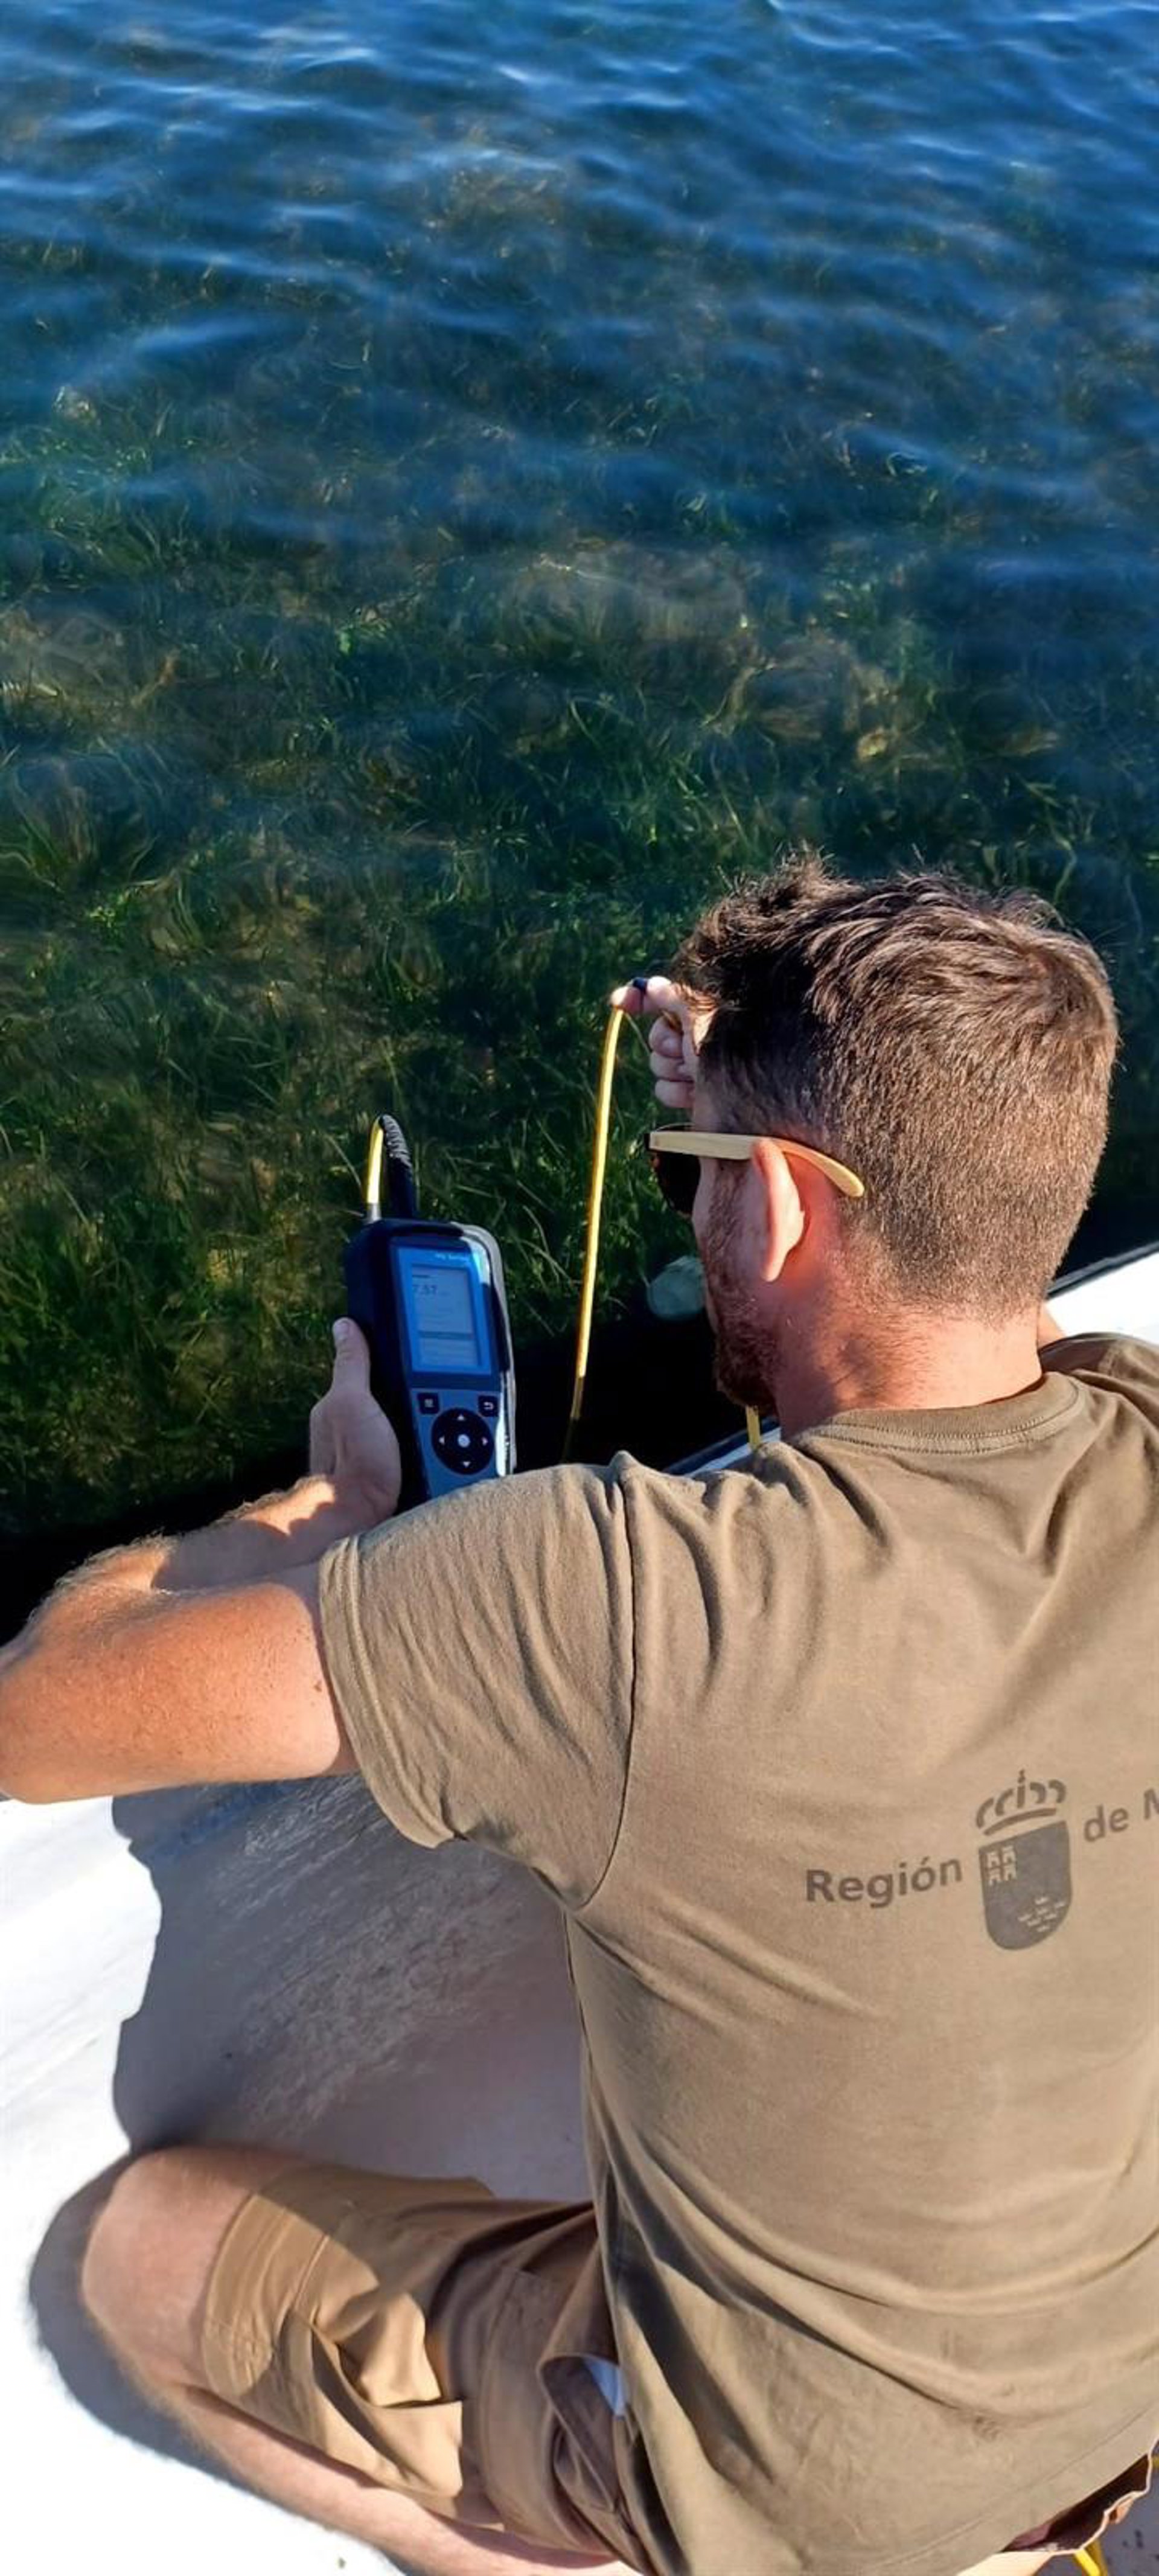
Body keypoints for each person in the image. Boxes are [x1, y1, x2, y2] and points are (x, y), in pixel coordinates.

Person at [2, 854, 1156, 2576]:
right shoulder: (1139, 1433)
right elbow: (975, 1278)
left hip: (816, 2514)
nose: (690, 1211)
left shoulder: (606, 1597)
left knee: (133, 2256)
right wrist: (755, 1116)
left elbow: (41, 1714)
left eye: (701, 1178)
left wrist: (320, 1516)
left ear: (782, 1206)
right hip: (1119, 2413)